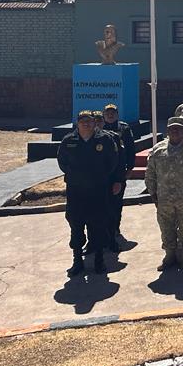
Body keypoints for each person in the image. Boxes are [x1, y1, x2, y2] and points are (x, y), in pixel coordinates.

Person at [58, 110, 123, 276]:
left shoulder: (105, 139)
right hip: (76, 190)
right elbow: (62, 162)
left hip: (98, 189)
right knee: (76, 224)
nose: (86, 124)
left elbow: (113, 161)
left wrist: (106, 177)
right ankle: (77, 261)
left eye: (89, 121)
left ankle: (99, 261)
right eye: (82, 121)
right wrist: (77, 175)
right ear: (77, 123)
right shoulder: (68, 140)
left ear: (94, 123)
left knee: (98, 224)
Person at [144, 117, 183, 271]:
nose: (175, 131)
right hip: (164, 199)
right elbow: (150, 173)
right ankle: (170, 255)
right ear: (167, 131)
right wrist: (152, 193)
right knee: (166, 228)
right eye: (172, 129)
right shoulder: (158, 149)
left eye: (178, 128)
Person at [101, 103, 136, 250]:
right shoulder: (98, 128)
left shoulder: (124, 128)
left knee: (116, 203)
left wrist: (130, 168)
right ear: (103, 115)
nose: (110, 115)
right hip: (103, 174)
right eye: (107, 113)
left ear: (117, 114)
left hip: (119, 172)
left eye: (113, 113)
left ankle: (115, 228)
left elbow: (130, 148)